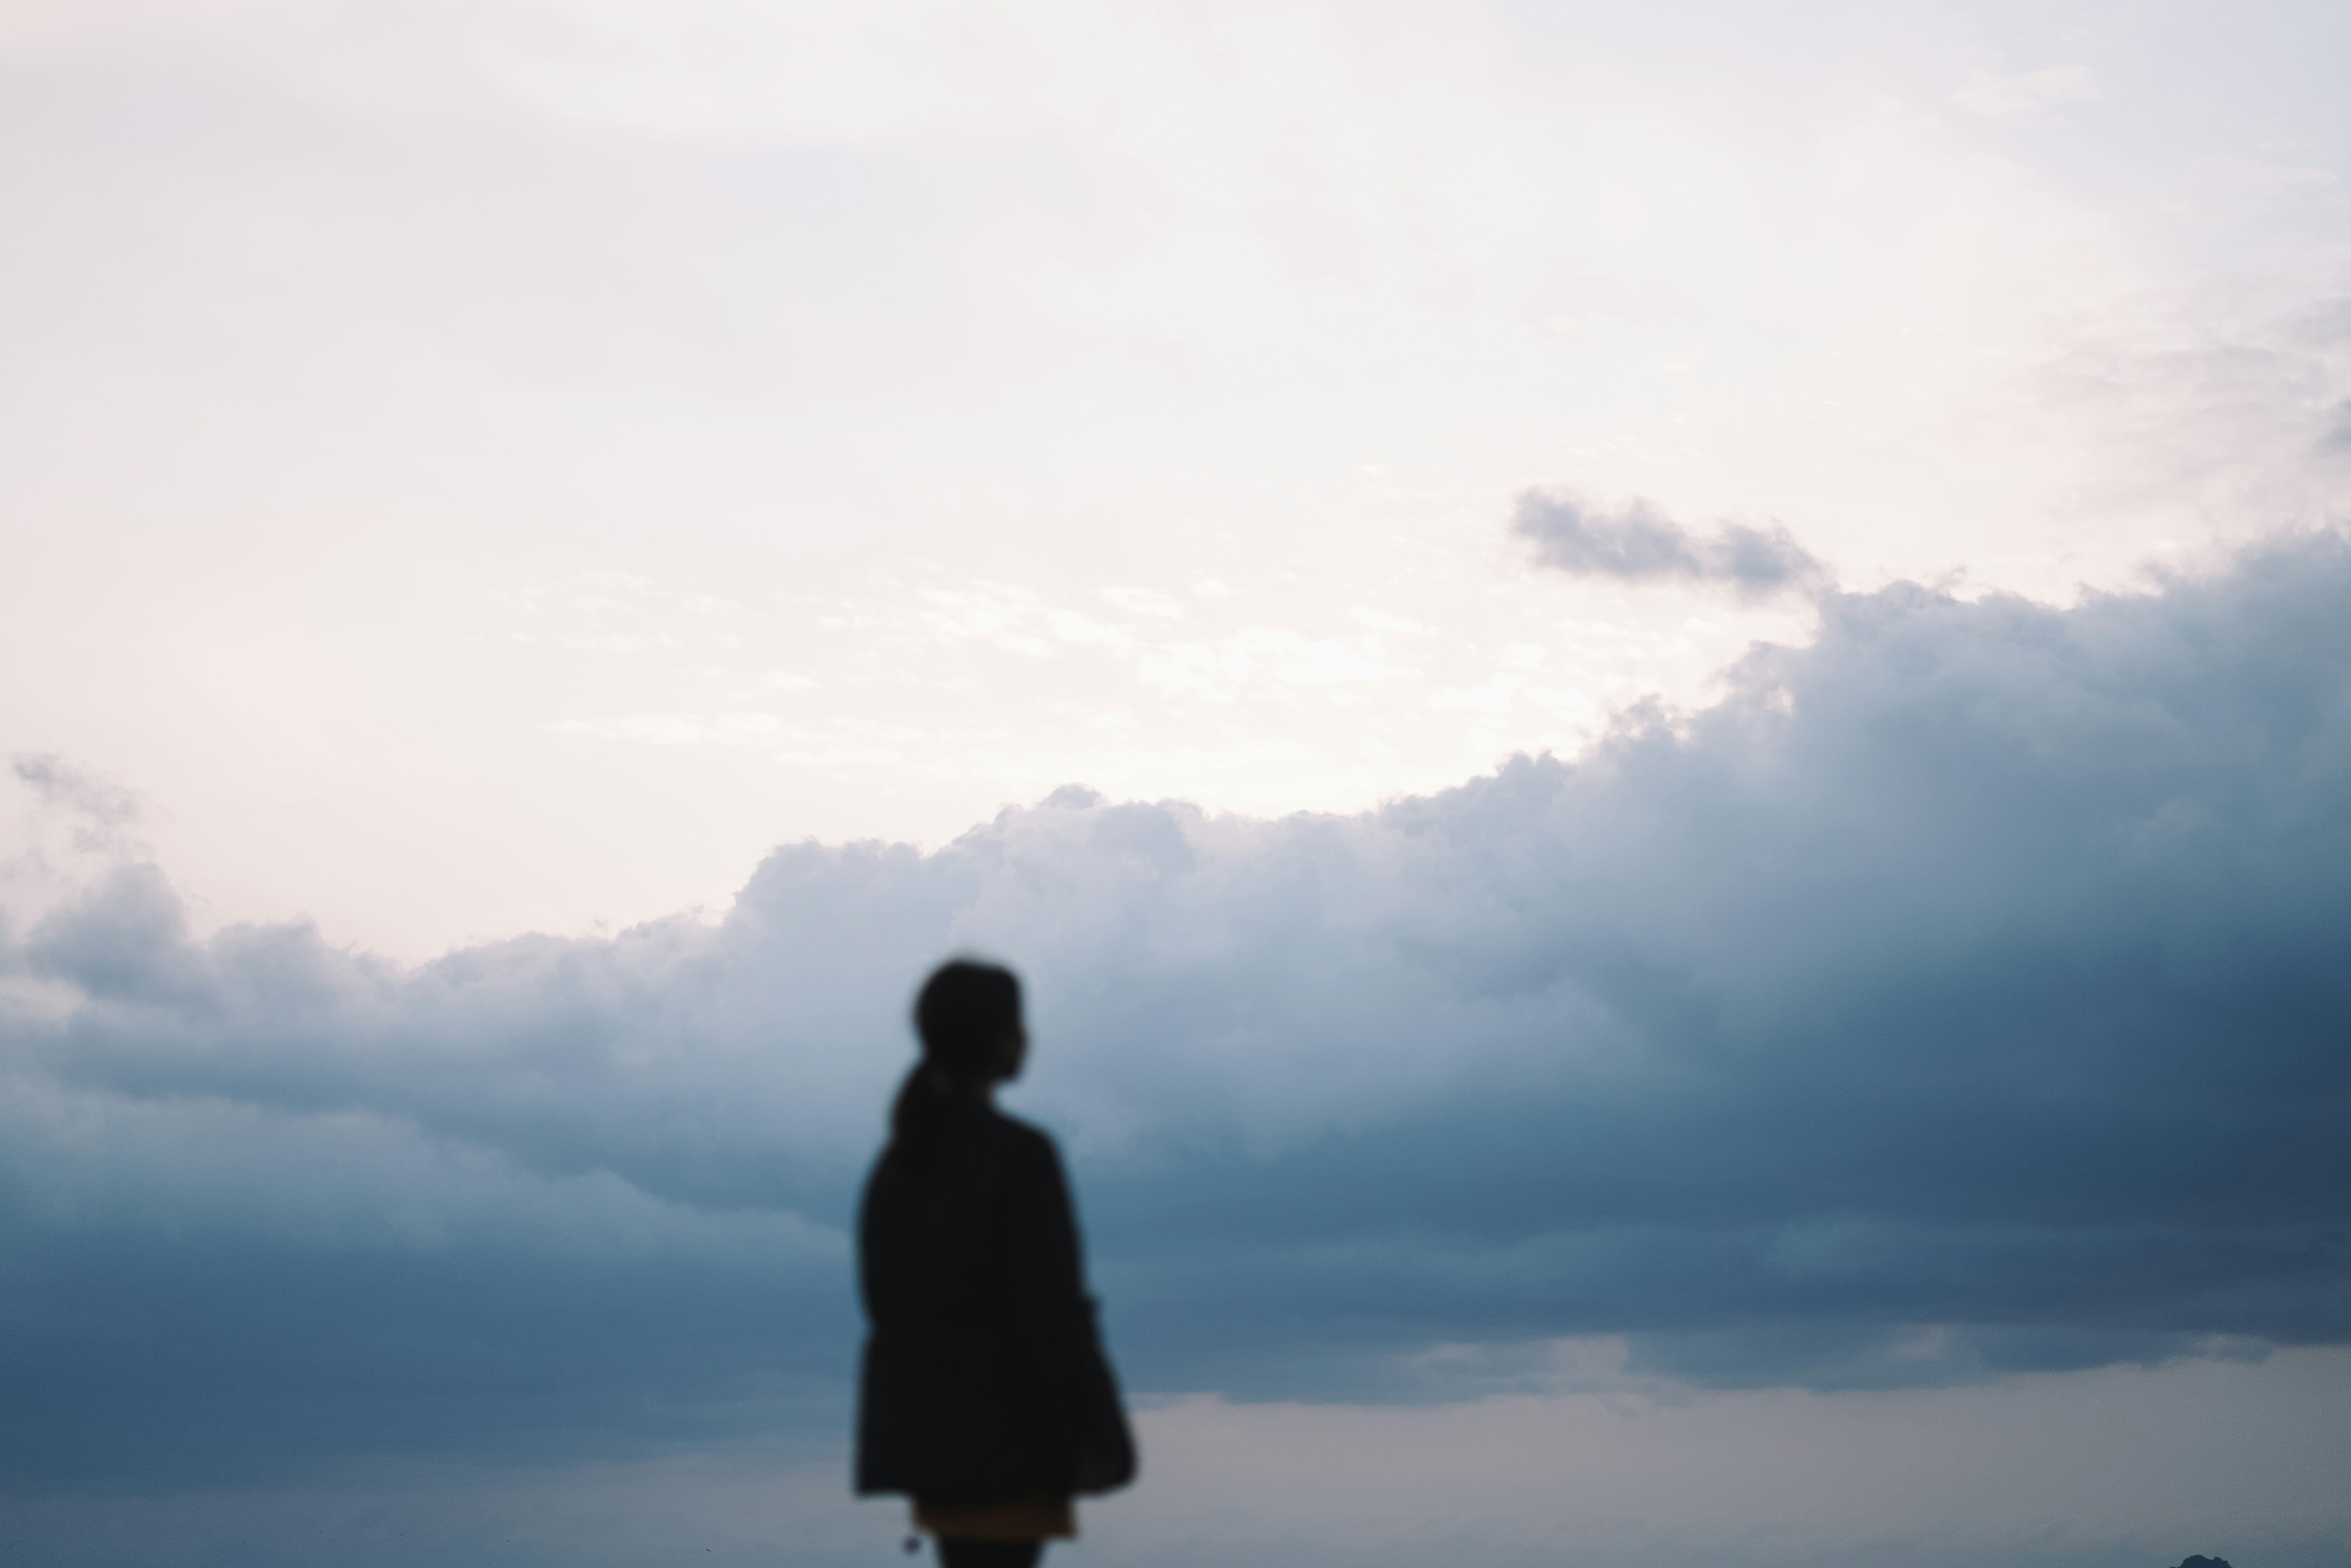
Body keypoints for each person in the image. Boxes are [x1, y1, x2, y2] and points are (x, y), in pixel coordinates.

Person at [854, 959, 1136, 1568]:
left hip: (930, 1445)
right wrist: (1101, 1436)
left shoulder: (898, 1164)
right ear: (1004, 1040)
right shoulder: (1020, 1157)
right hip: (1010, 1444)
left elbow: (884, 1305)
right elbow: (1053, 1314)